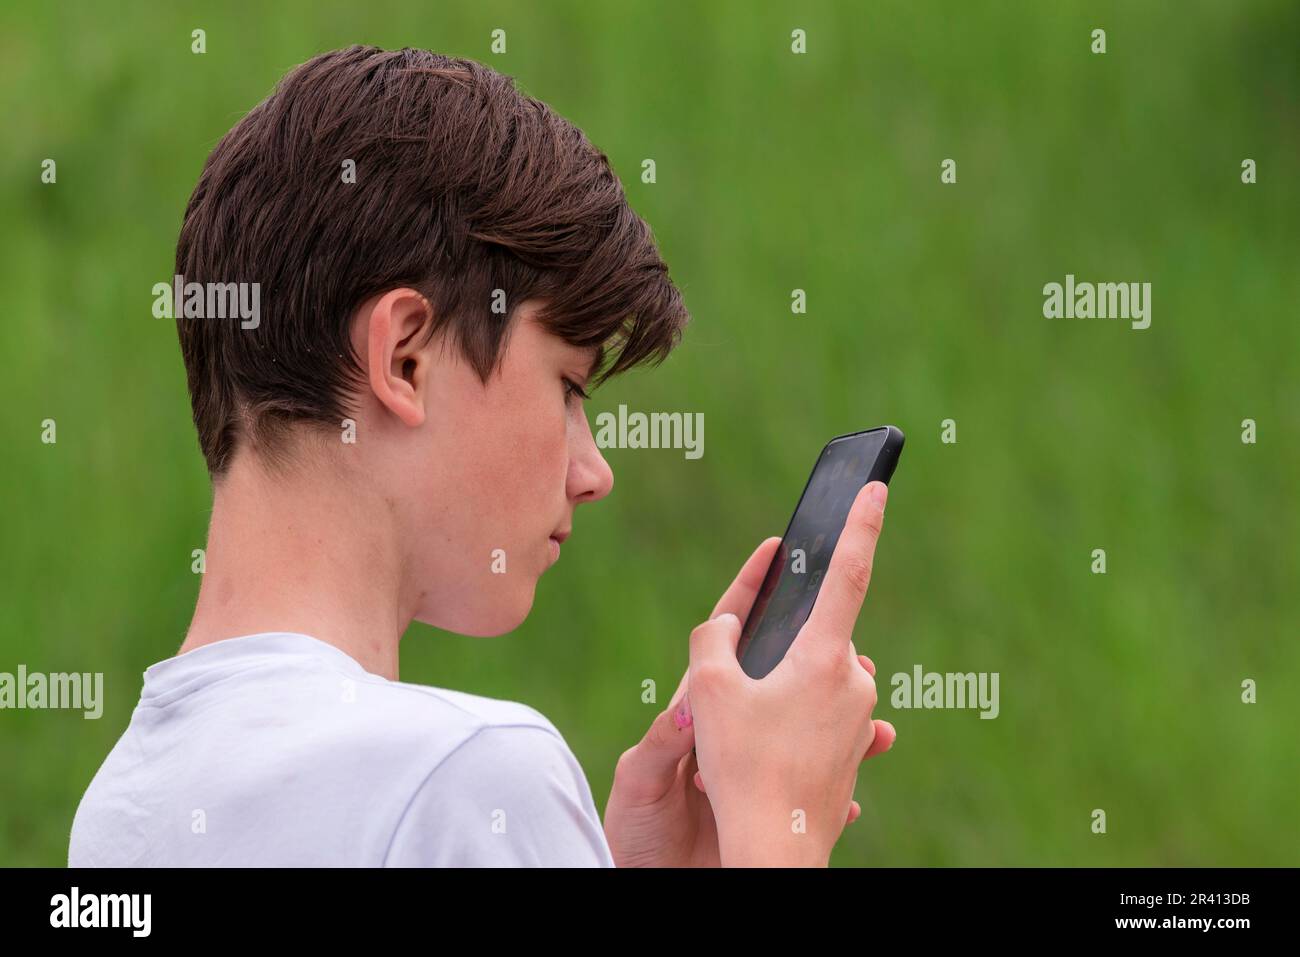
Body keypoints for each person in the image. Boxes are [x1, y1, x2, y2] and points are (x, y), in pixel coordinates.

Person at [68, 45, 895, 868]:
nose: (593, 470)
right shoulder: (467, 776)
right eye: (568, 386)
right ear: (404, 359)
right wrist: (775, 821)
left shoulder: (124, 805)